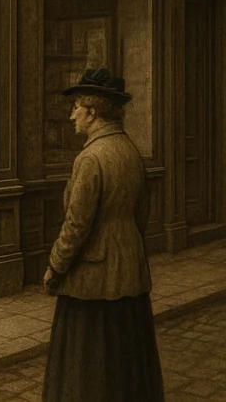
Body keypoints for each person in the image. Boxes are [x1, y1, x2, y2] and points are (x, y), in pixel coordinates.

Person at [42, 68, 164, 402]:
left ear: (93, 113)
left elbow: (76, 226)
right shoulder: (130, 150)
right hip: (130, 270)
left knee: (88, 362)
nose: (72, 116)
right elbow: (141, 216)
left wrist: (55, 266)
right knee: (127, 359)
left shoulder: (90, 158)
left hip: (92, 280)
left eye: (76, 108)